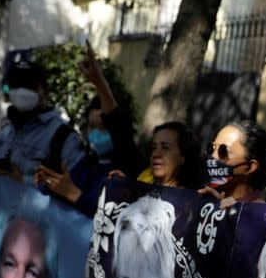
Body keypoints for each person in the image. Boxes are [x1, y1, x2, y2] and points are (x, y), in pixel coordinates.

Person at [0, 59, 90, 263]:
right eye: (16, 85)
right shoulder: (4, 133)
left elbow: (74, 203)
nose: (22, 91)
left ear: (45, 91)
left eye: (30, 86)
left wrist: (24, 181)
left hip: (39, 254)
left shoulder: (64, 139)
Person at [76, 40, 206, 190]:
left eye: (165, 147)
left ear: (182, 157)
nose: (156, 153)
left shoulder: (194, 199)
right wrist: (99, 82)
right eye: (154, 147)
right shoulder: (141, 177)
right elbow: (118, 129)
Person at [198, 120, 266, 208]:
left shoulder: (258, 213)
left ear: (250, 167)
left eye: (223, 151)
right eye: (211, 149)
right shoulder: (206, 197)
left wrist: (230, 216)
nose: (213, 156)